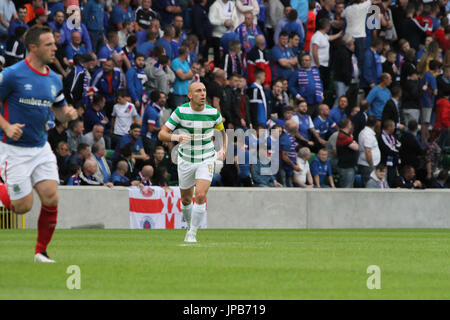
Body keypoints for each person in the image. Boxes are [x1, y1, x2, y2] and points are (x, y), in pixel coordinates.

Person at [0, 25, 78, 263]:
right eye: (49, 45)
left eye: (55, 44)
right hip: (13, 150)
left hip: (41, 147)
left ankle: (40, 252)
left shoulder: (55, 79)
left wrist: (68, 114)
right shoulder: (12, 74)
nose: (55, 48)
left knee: (51, 197)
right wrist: (6, 127)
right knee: (22, 207)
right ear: (32, 48)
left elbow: (59, 110)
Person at [158, 82, 227, 243]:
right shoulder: (180, 112)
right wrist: (176, 137)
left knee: (201, 195)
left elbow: (223, 133)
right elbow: (162, 134)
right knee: (186, 200)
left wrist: (223, 149)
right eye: (198, 91)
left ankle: (192, 233)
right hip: (186, 160)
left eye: (204, 90)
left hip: (206, 158)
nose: (203, 94)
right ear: (190, 95)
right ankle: (189, 226)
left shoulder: (213, 113)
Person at [357, 116, 380, 187]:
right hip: (368, 165)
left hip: (368, 165)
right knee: (368, 185)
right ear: (375, 124)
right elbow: (368, 151)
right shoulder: (367, 134)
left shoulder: (366, 132)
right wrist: (371, 164)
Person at [336, 118, 359, 188]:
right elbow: (356, 147)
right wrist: (354, 142)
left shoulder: (346, 135)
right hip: (346, 167)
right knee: (347, 187)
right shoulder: (343, 136)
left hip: (349, 166)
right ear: (348, 125)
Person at [379, 119, 401, 186]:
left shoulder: (392, 136)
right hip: (386, 164)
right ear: (389, 127)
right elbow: (388, 149)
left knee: (392, 182)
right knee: (387, 182)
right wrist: (395, 149)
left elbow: (399, 145)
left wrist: (395, 148)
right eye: (394, 126)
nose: (395, 128)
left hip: (393, 164)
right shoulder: (382, 136)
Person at [279, 119, 300, 187]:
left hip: (289, 168)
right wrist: (294, 166)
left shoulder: (290, 138)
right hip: (284, 168)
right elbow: (285, 157)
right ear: (296, 130)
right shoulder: (287, 139)